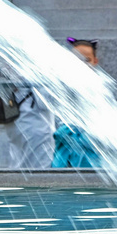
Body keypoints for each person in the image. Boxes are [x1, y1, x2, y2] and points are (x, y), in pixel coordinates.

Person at [49, 39, 104, 168]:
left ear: (95, 61)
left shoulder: (101, 86)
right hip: (66, 141)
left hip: (91, 143)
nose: (81, 64)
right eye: (76, 60)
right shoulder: (62, 83)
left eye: (86, 60)